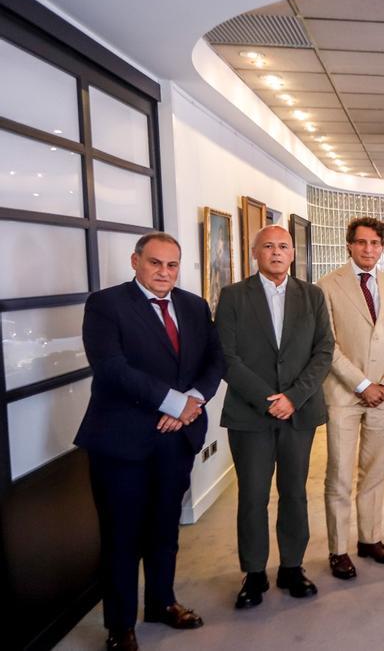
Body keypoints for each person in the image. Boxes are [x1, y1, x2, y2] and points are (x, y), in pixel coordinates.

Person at [76, 232, 225, 651]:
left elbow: (215, 359)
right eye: (155, 263)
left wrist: (193, 401)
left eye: (172, 265)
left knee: (164, 529)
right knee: (122, 536)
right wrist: (174, 402)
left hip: (175, 441)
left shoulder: (194, 306)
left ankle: (162, 602)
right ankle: (119, 625)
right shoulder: (106, 304)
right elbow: (110, 368)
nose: (164, 272)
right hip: (122, 442)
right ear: (135, 261)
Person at [216, 225, 333, 609]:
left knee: (295, 493)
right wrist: (268, 400)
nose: (277, 252)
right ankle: (253, 574)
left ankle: (291, 567)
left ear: (293, 254)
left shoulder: (312, 296)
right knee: (252, 496)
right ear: (254, 253)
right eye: (268, 246)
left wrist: (294, 397)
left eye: (284, 246)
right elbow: (226, 357)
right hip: (250, 416)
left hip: (298, 413)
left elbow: (323, 351)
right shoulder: (233, 296)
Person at [317, 217, 384, 580]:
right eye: (361, 243)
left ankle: (370, 539)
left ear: (382, 247)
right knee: (339, 474)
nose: (368, 249)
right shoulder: (327, 286)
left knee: (374, 473)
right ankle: (338, 549)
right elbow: (327, 346)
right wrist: (362, 385)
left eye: (375, 243)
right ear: (349, 245)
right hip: (344, 393)